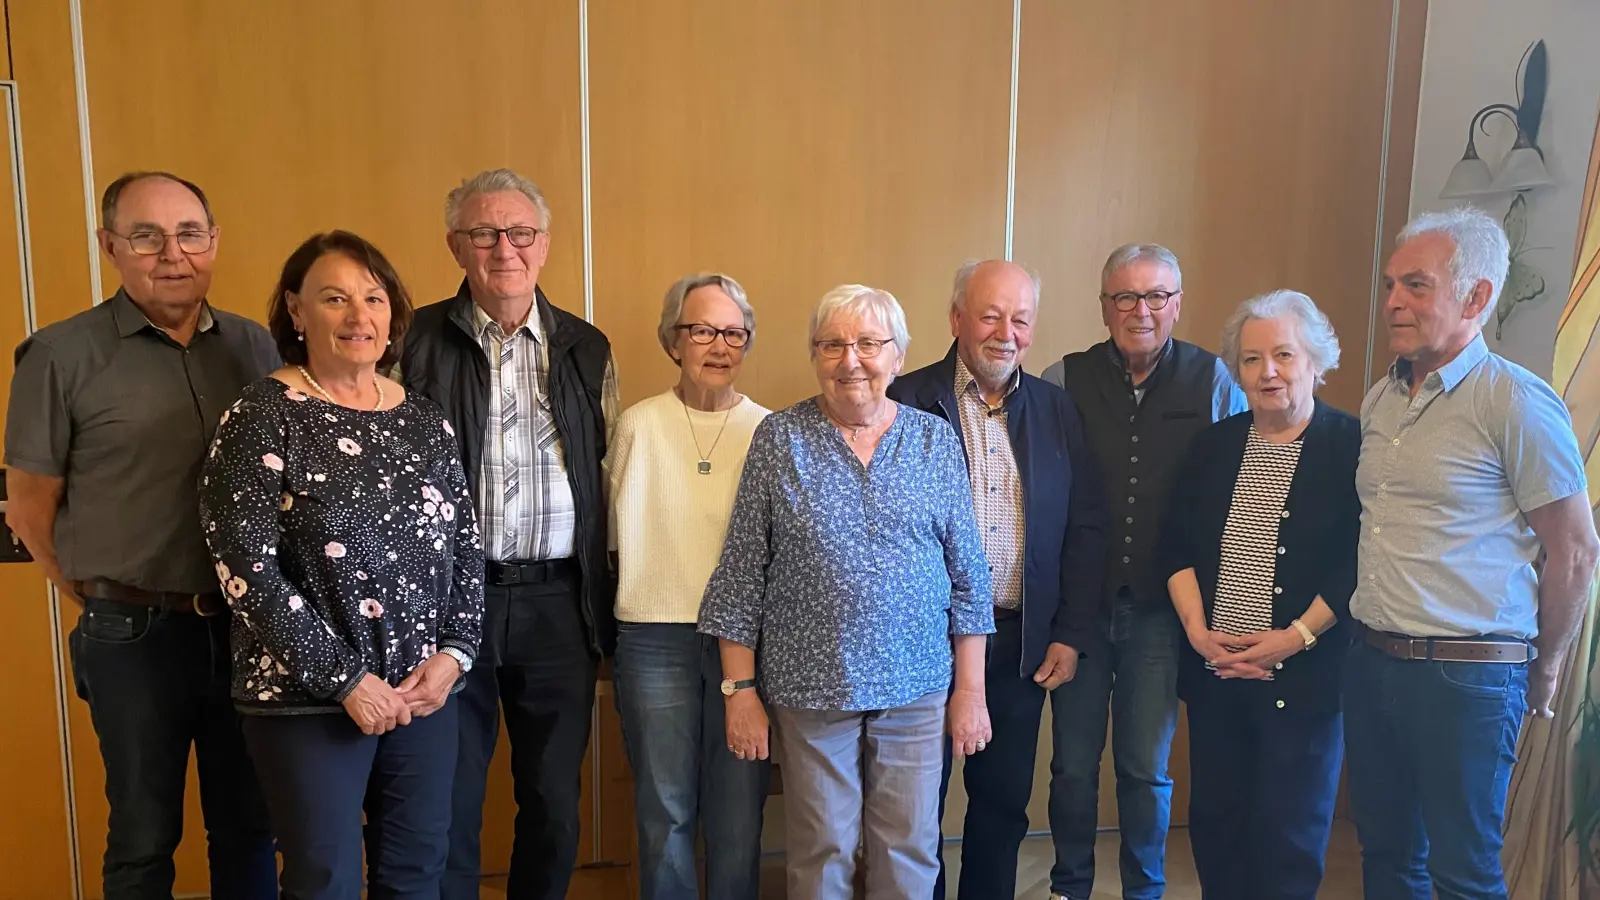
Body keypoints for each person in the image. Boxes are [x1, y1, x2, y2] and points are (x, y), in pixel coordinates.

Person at [4, 171, 279, 900]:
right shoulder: (58, 357)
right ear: (110, 246)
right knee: (143, 836)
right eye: (146, 236)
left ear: (213, 242)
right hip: (132, 633)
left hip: (246, 632)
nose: (172, 253)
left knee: (249, 826)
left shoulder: (258, 350)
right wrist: (98, 594)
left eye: (190, 233)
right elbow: (30, 509)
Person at [198, 230, 484, 900]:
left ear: (393, 315)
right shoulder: (263, 414)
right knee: (324, 880)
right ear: (296, 312)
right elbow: (244, 569)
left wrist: (456, 654)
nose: (360, 316)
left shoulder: (421, 418)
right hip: (309, 703)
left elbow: (464, 548)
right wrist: (348, 681)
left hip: (422, 697)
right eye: (336, 298)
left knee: (417, 876)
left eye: (374, 298)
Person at [698, 284, 994, 898]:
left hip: (916, 686)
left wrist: (971, 692)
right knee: (822, 848)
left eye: (867, 343)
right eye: (832, 344)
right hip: (811, 686)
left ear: (899, 356)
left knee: (909, 849)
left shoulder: (935, 441)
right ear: (814, 355)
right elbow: (741, 573)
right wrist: (740, 691)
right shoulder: (780, 439)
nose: (850, 359)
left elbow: (969, 578)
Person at [1347, 208, 1599, 899]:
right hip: (1372, 663)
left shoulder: (1515, 402)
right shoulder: (1381, 400)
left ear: (1477, 297)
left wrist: (1544, 666)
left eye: (1417, 286)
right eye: (1392, 284)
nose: (1394, 300)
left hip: (1468, 679)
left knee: (1463, 873)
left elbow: (1575, 552)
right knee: (1388, 857)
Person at [401, 168, 620, 900]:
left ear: (545, 244)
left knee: (554, 801)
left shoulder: (587, 347)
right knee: (449, 800)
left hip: (559, 602)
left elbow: (607, 472)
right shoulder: (415, 340)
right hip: (447, 604)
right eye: (484, 233)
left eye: (520, 232)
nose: (505, 249)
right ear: (455, 246)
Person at [886, 259, 1106, 899]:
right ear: (956, 319)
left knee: (1004, 806)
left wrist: (1068, 632)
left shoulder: (1056, 410)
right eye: (989, 315)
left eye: (1020, 319)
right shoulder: (904, 400)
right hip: (919, 647)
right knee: (913, 810)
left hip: (1017, 643)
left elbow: (1085, 528)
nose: (1005, 332)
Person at [1041, 243, 1246, 900]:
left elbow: (1235, 492)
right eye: (1125, 297)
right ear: (1104, 308)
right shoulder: (1062, 378)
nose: (1141, 310)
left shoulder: (1215, 382)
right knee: (1072, 767)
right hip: (1080, 610)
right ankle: (1070, 886)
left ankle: (1144, 891)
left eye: (1156, 296)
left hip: (1165, 612)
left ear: (1176, 304)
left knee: (1145, 769)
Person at [1159, 290, 1360, 899]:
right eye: (1251, 360)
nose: (1267, 372)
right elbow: (1174, 546)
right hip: (1219, 674)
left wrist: (1292, 640)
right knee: (1217, 833)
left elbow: (1357, 561)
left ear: (1316, 362)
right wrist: (1198, 633)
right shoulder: (1214, 445)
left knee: (1287, 842)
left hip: (1303, 684)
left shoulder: (1350, 447)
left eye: (1283, 355)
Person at [606, 272, 771, 900]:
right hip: (654, 637)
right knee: (663, 809)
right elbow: (610, 536)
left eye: (734, 332)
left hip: (747, 644)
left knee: (737, 812)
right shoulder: (637, 426)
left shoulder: (771, 431)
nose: (718, 345)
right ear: (673, 340)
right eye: (702, 329)